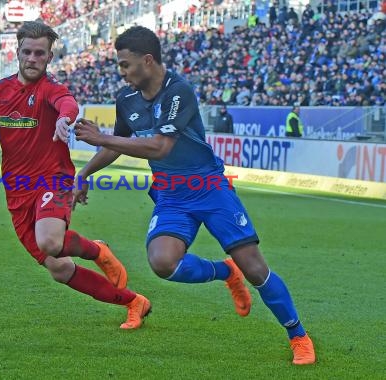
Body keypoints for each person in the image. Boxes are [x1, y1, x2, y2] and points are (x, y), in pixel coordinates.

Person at [73, 26, 316, 364]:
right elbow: (119, 143)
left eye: (126, 65)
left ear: (148, 60)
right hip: (171, 195)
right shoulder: (126, 100)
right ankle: (225, 273)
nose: (122, 72)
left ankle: (298, 335)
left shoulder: (179, 92)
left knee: (257, 270)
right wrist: (84, 173)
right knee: (162, 262)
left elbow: (160, 146)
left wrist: (101, 139)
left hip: (209, 188)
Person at [0, 21, 151, 330]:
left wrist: (64, 120)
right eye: (27, 52)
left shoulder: (51, 88)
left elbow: (68, 103)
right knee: (60, 268)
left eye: (40, 53)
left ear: (50, 56)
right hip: (18, 190)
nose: (33, 58)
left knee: (51, 242)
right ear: (17, 52)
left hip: (54, 179)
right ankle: (135, 302)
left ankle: (98, 251)